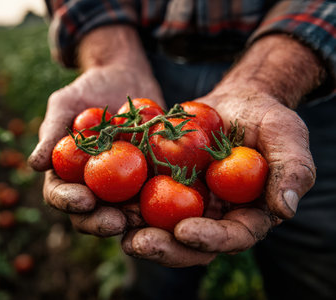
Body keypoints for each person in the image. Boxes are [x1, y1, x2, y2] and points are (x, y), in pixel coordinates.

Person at [29, 1, 336, 299]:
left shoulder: (153, 141)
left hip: (298, 76)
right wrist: (111, 58)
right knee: (154, 272)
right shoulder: (138, 139)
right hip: (149, 62)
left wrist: (268, 77)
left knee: (313, 266)